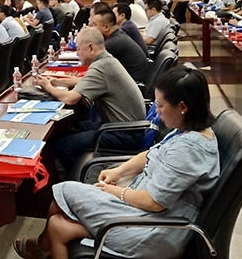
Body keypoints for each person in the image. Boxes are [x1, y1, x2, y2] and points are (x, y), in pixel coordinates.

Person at [16, 66, 220, 259]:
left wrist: (115, 192)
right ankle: (42, 247)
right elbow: (150, 154)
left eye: (160, 106)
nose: (157, 112)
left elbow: (154, 202)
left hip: (155, 230)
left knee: (64, 191)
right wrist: (118, 172)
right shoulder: (187, 130)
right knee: (57, 225)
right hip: (145, 213)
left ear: (183, 107)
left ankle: (41, 247)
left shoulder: (189, 150)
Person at [35, 28, 145, 171]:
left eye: (79, 49)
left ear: (91, 47)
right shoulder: (107, 60)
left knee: (62, 146)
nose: (77, 54)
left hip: (123, 134)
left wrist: (48, 87)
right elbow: (83, 81)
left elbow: (70, 99)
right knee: (70, 128)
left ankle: (78, 176)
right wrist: (57, 81)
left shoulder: (101, 67)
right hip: (123, 127)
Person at [89, 10, 149, 82]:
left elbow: (91, 62)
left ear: (106, 27)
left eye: (93, 25)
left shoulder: (113, 43)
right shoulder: (118, 35)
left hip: (133, 82)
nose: (90, 28)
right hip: (133, 78)